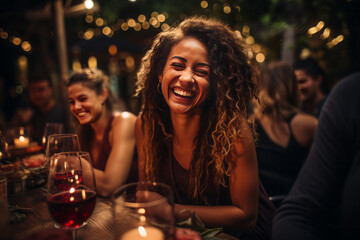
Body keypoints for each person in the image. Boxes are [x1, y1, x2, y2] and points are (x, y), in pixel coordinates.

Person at [135, 16, 275, 239]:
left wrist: (170, 211)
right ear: (160, 73)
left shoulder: (233, 130)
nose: (187, 78)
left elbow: (246, 218)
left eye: (201, 72)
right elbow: (146, 196)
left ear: (215, 85)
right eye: (178, 66)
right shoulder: (146, 124)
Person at [272, 72, 360, 240]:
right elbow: (303, 206)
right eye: (296, 83)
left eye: (303, 81)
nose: (299, 88)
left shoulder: (315, 118)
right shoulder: (349, 97)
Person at [253, 61, 318, 206]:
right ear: (291, 86)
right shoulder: (309, 124)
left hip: (259, 209)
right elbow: (319, 174)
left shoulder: (247, 124)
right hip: (296, 206)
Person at [67, 69, 137, 197]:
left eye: (82, 99)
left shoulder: (124, 121)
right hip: (103, 210)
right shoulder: (83, 131)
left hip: (133, 210)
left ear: (103, 95)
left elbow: (108, 186)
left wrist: (72, 163)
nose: (76, 107)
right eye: (71, 102)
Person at [27, 73, 66, 143]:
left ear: (51, 89)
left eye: (41, 90)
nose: (36, 94)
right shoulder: (34, 116)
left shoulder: (64, 113)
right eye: (33, 90)